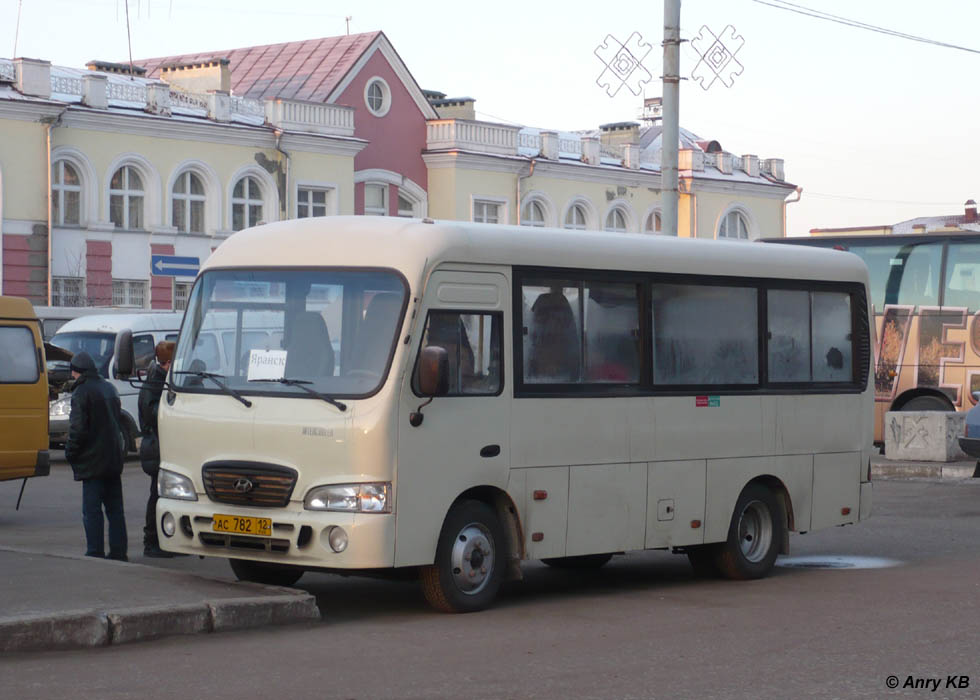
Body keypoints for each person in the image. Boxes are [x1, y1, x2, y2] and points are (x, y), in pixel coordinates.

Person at [64, 350, 127, 561]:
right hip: (113, 459)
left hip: (92, 462)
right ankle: (119, 552)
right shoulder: (109, 388)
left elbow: (78, 430)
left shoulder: (81, 393)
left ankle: (95, 552)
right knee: (115, 510)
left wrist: (70, 453)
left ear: (77, 372)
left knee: (92, 511)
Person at [139, 341, 178, 558]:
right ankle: (152, 541)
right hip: (156, 447)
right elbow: (152, 413)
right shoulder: (155, 382)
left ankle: (163, 541)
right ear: (168, 363)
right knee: (157, 496)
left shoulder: (159, 379)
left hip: (160, 446)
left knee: (163, 494)